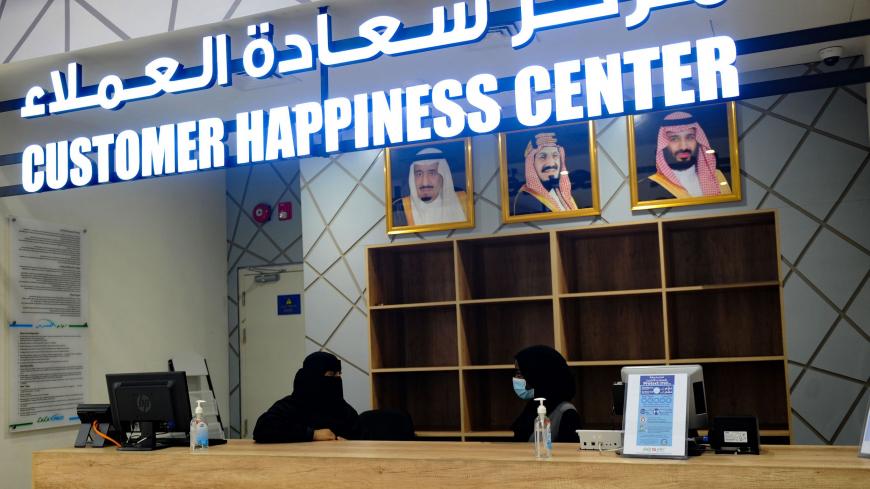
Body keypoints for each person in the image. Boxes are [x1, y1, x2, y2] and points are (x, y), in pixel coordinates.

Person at [253, 351, 358, 443]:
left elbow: (361, 440)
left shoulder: (345, 411)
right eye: (331, 374)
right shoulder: (291, 406)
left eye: (339, 374)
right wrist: (313, 434)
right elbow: (262, 429)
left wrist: (349, 445)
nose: (337, 379)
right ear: (312, 377)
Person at [637, 111, 732, 201]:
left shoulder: (719, 177)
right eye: (674, 139)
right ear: (664, 145)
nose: (683, 146)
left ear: (698, 141)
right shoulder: (647, 186)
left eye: (690, 137)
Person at [510, 345, 581, 443]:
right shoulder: (533, 406)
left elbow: (570, 455)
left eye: (521, 373)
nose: (517, 378)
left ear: (539, 374)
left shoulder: (566, 413)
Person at [392, 147, 469, 227]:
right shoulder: (398, 209)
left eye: (432, 173)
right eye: (419, 174)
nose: (425, 182)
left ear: (443, 176)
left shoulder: (466, 200)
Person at [513, 132, 579, 215]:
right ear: (532, 163)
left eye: (555, 155)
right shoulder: (526, 196)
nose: (550, 163)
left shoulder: (561, 193)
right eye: (542, 156)